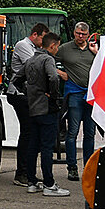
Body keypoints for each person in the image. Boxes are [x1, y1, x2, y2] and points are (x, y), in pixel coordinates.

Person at [22, 32, 70, 196]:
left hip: (33, 107)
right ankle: (49, 184)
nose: (57, 50)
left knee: (33, 146)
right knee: (47, 147)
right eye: (57, 47)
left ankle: (32, 181)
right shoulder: (48, 59)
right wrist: (53, 95)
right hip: (47, 109)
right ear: (52, 46)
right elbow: (54, 78)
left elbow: (16, 78)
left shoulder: (30, 60)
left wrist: (30, 93)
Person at [55, 21, 99, 182]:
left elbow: (104, 65)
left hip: (91, 96)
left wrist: (97, 53)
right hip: (73, 93)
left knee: (90, 133)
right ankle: (72, 167)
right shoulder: (65, 49)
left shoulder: (93, 49)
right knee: (72, 132)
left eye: (84, 34)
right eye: (78, 33)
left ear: (88, 35)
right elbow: (47, 57)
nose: (80, 37)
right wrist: (60, 72)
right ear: (74, 33)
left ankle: (88, 167)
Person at [6, 23, 48, 186]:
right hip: (19, 94)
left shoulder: (35, 48)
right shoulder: (23, 45)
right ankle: (22, 173)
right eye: (43, 38)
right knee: (28, 132)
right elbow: (36, 66)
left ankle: (28, 171)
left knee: (31, 132)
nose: (43, 42)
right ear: (35, 34)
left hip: (28, 95)